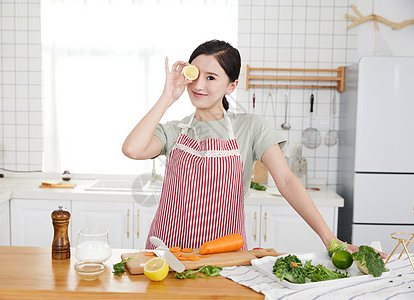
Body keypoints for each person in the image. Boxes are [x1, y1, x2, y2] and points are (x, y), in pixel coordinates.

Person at [122, 39, 386, 257]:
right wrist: (167, 97)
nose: (199, 85)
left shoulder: (251, 127)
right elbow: (132, 149)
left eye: (211, 77)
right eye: (195, 75)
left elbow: (286, 180)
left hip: (223, 254)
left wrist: (330, 239)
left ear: (232, 86)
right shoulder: (174, 129)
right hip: (167, 251)